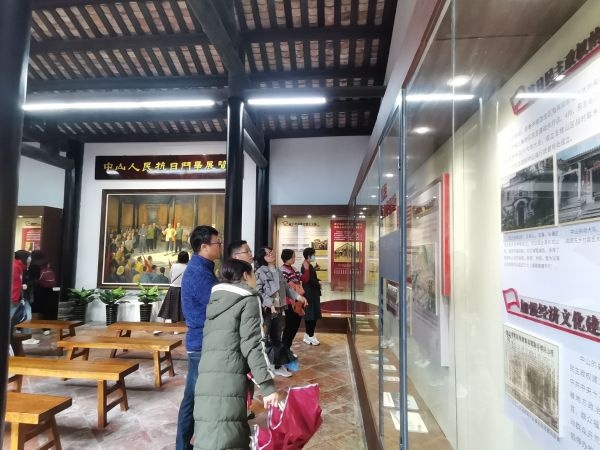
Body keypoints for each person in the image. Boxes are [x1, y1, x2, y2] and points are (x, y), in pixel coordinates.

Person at [193, 259, 279, 450]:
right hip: (228, 379)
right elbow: (252, 344)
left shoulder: (216, 300)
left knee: (211, 431)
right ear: (246, 275)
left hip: (207, 376)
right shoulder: (248, 299)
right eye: (253, 274)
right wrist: (267, 385)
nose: (256, 279)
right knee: (226, 435)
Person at [176, 225, 221, 450]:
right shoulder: (199, 273)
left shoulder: (203, 268)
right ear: (204, 247)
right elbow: (218, 304)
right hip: (201, 343)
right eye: (217, 242)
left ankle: (185, 444)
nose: (220, 246)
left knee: (194, 396)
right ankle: (183, 445)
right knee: (193, 397)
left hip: (203, 341)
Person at [255, 246, 306, 378]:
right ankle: (266, 366)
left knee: (277, 337)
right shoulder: (260, 272)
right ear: (263, 257)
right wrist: (269, 303)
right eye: (268, 253)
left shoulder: (277, 270)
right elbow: (258, 292)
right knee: (265, 338)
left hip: (279, 309)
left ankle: (277, 365)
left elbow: (287, 288)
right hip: (267, 311)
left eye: (271, 252)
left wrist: (297, 296)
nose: (271, 254)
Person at [280, 249, 309, 353]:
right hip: (289, 301)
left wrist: (306, 269)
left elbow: (305, 279)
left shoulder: (294, 269)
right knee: (290, 325)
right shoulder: (282, 270)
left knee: (296, 324)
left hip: (298, 300)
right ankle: (284, 348)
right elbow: (284, 288)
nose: (294, 258)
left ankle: (287, 347)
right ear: (287, 258)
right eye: (293, 257)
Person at [12, 251, 38, 345]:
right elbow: (12, 283)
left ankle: (25, 336)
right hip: (15, 298)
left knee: (26, 314)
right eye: (28, 259)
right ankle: (23, 337)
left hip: (20, 297)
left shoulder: (21, 267)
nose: (29, 261)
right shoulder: (16, 267)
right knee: (19, 316)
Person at [158, 251, 189, 324]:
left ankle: (164, 325)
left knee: (169, 307)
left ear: (178, 258)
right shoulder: (188, 268)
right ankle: (178, 327)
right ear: (187, 259)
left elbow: (170, 277)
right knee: (180, 309)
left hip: (173, 289)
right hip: (183, 289)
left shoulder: (174, 266)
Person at [301, 247, 323, 346]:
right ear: (309, 256)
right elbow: (308, 280)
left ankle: (308, 335)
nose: (315, 256)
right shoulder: (305, 266)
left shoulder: (308, 265)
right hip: (310, 294)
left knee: (312, 315)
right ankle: (310, 335)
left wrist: (318, 281)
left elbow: (312, 278)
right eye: (314, 255)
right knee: (311, 316)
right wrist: (318, 283)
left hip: (312, 293)